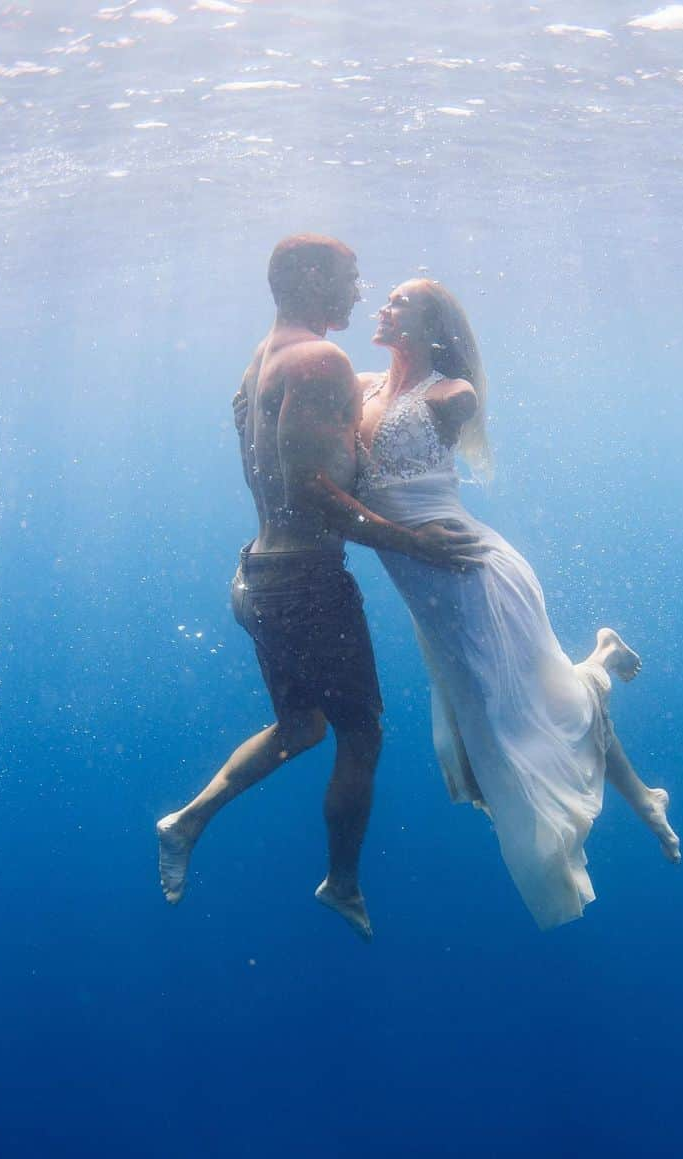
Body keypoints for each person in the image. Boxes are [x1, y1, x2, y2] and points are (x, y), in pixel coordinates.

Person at [157, 238, 480, 940]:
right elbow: (310, 488)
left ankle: (185, 821)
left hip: (257, 578)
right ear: (309, 278)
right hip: (306, 582)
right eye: (349, 277)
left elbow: (285, 463)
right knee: (360, 736)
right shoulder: (320, 359)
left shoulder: (267, 352)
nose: (360, 292)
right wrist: (413, 541)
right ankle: (342, 882)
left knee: (301, 725)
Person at [355, 278, 680, 930]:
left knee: (523, 718)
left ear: (432, 325)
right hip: (429, 579)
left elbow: (392, 461)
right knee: (516, 719)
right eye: (386, 298)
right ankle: (621, 726)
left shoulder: (452, 393)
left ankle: (638, 782)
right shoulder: (362, 385)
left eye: (400, 303)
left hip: (470, 571)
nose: (383, 307)